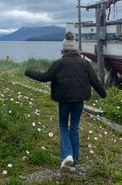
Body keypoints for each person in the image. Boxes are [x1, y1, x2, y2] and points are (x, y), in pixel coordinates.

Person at [24, 31, 106, 172]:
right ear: (75, 49)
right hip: (79, 101)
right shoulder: (85, 63)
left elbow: (45, 77)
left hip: (64, 101)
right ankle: (74, 162)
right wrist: (103, 94)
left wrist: (28, 72)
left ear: (63, 50)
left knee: (63, 126)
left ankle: (67, 155)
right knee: (74, 128)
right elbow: (95, 82)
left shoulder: (59, 63)